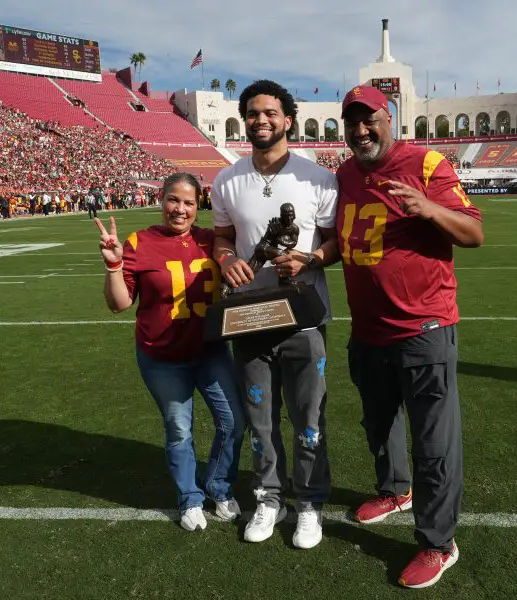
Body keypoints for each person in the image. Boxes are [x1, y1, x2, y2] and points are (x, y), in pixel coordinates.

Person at [336, 85, 484, 589]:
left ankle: (438, 543)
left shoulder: (425, 165)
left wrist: (429, 210)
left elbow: (472, 233)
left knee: (434, 443)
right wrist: (314, 258)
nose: (361, 131)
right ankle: (396, 489)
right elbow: (350, 240)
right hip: (368, 329)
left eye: (369, 120)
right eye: (351, 122)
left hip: (423, 329)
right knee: (378, 423)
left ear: (389, 117)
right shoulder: (345, 173)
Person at [211, 79, 339, 549]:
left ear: (288, 119)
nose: (261, 120)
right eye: (253, 113)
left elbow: (335, 242)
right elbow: (222, 238)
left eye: (270, 113)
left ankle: (308, 503)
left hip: (303, 316)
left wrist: (312, 259)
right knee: (260, 419)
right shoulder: (227, 179)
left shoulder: (318, 177)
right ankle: (269, 496)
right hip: (249, 317)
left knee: (309, 415)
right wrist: (226, 260)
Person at [95, 172, 245, 532]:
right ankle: (189, 498)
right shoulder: (140, 242)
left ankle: (218, 487)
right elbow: (118, 304)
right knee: (179, 429)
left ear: (199, 206)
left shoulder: (212, 241)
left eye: (189, 202)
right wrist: (114, 264)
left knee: (234, 422)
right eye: (174, 200)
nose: (180, 209)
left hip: (210, 352)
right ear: (162, 200)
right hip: (162, 356)